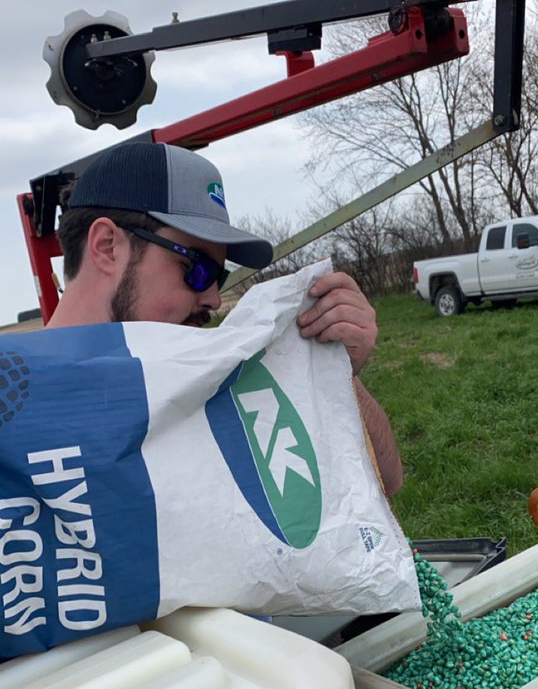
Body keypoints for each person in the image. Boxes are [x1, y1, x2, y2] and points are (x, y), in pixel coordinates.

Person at [50, 141, 403, 496]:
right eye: (196, 268)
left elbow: (385, 485)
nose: (214, 299)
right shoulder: (16, 408)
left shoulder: (205, 377)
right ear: (107, 246)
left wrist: (335, 374)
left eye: (218, 277)